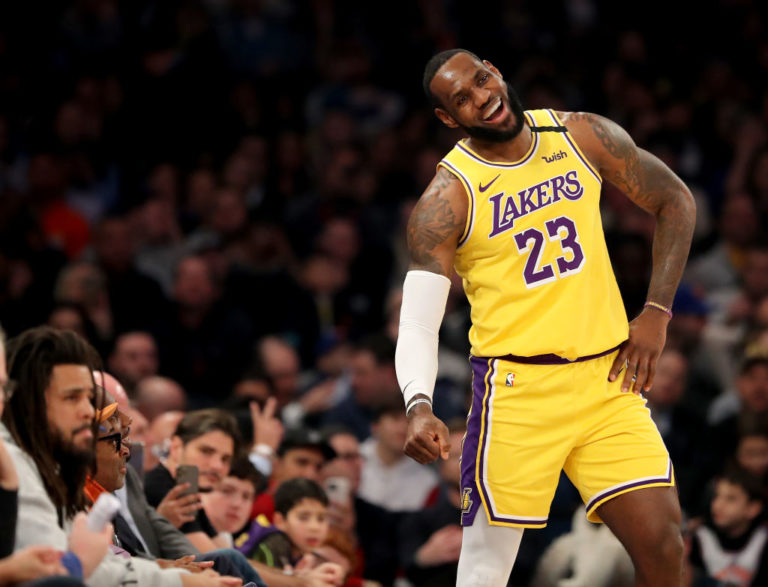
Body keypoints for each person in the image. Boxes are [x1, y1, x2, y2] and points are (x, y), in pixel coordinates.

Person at [397, 49, 696, 586]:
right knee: (486, 570)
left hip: (607, 380)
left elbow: (675, 199)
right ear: (447, 118)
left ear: (495, 70)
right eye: (462, 99)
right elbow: (418, 323)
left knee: (663, 544)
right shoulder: (448, 197)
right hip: (518, 391)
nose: (482, 98)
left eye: (481, 80)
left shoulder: (581, 134)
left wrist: (656, 312)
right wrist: (418, 404)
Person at [1, 326, 240, 586]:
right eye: (72, 398)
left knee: (224, 562)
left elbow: (103, 565)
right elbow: (61, 572)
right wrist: (181, 582)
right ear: (30, 403)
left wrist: (177, 577)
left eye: (88, 398)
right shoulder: (16, 462)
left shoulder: (53, 467)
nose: (87, 411)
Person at [688, 467, 768, 586]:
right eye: (716, 496)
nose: (717, 505)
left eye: (730, 499)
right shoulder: (699, 536)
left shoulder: (763, 539)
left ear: (753, 508)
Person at [237, 479, 330, 569]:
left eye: (321, 519)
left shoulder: (301, 553)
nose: (315, 527)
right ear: (280, 521)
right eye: (303, 518)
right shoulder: (274, 544)